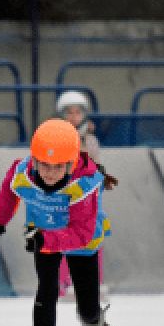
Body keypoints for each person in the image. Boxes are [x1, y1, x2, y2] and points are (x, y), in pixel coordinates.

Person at [0, 119, 116, 326]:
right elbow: (10, 190)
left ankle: (94, 322)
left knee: (87, 306)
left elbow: (81, 233)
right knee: (47, 288)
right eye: (44, 164)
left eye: (58, 166)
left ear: (71, 163)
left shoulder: (83, 187)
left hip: (82, 243)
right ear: (34, 160)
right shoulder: (23, 172)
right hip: (43, 234)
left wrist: (47, 238)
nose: (50, 173)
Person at [54, 91, 118, 300]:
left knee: (93, 236)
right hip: (66, 193)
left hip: (88, 195)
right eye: (69, 113)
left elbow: (93, 164)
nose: (74, 116)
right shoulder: (56, 137)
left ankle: (93, 282)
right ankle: (63, 282)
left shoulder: (90, 140)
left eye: (77, 112)